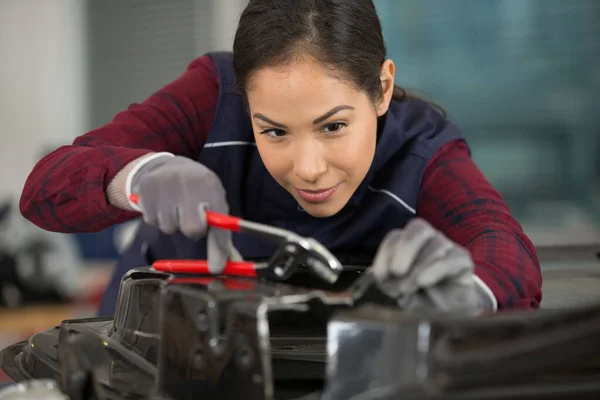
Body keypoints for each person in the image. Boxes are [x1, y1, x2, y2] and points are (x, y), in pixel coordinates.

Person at [19, 0, 542, 316]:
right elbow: (44, 190)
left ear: (381, 89)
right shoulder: (212, 95)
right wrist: (136, 175)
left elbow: (503, 246)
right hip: (145, 357)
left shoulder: (423, 148)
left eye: (334, 126)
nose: (308, 168)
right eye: (273, 130)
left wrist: (468, 292)